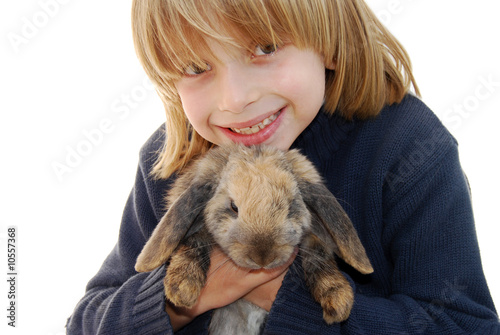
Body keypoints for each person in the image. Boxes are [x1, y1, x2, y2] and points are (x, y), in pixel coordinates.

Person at [66, 0, 500, 334]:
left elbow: (465, 325)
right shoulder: (171, 157)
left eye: (265, 48)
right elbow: (87, 320)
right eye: (196, 67)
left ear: (330, 41)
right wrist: (192, 293)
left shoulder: (411, 148)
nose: (235, 100)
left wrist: (283, 292)